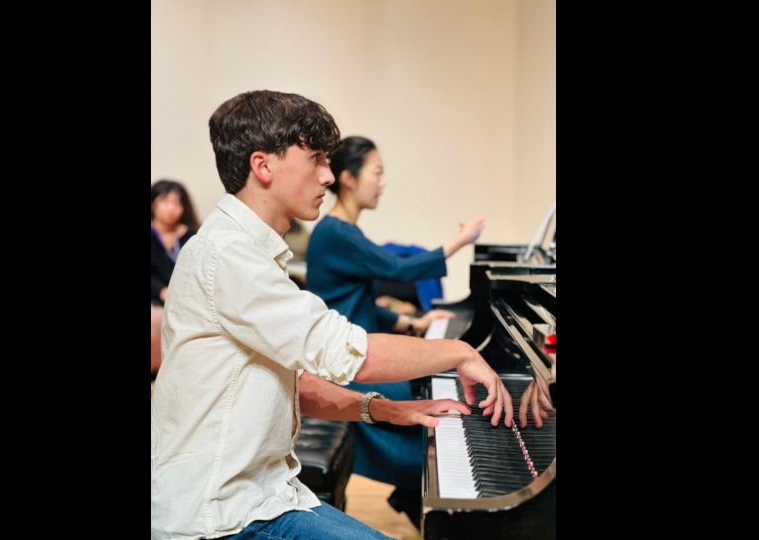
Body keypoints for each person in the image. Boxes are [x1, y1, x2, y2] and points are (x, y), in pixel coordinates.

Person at [150, 90, 513, 540]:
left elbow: (291, 384)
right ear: (263, 167)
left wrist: (385, 409)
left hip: (268, 494)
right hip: (222, 517)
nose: (328, 174)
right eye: (317, 158)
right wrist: (458, 352)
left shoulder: (243, 250)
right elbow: (352, 352)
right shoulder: (228, 256)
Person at [304, 135, 487, 527]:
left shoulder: (342, 230)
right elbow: (398, 270)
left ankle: (420, 499)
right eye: (378, 172)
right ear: (349, 179)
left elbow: (361, 301)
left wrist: (409, 323)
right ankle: (435, 501)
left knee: (430, 396)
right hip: (344, 366)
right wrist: (461, 240)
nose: (383, 182)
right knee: (428, 409)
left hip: (356, 353)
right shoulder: (336, 232)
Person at [151, 179, 199, 379]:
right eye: (165, 201)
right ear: (153, 203)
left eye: (177, 203)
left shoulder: (191, 235)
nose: (171, 208)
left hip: (185, 297)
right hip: (156, 297)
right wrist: (161, 290)